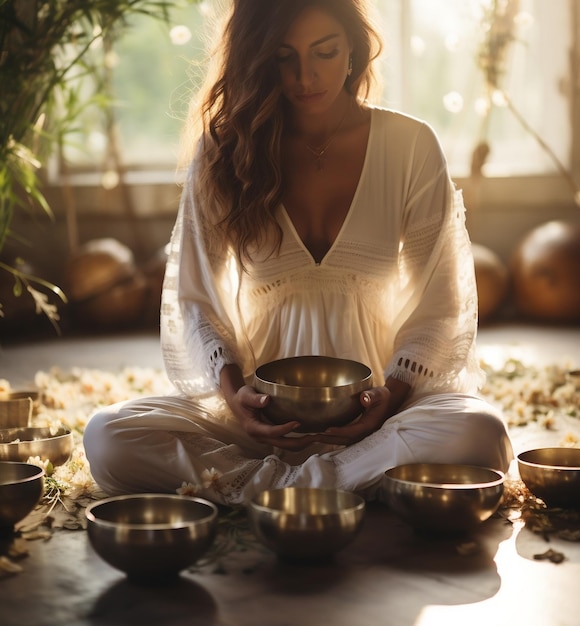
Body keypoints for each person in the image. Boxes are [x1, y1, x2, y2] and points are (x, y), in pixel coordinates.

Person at [84, 0, 513, 506]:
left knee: (481, 434)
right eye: (283, 56)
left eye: (324, 52)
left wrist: (390, 397)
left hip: (377, 414)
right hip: (258, 419)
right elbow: (197, 301)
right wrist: (235, 397)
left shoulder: (411, 146)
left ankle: (260, 487)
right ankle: (337, 483)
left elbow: (439, 307)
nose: (305, 75)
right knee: (109, 436)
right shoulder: (224, 153)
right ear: (257, 59)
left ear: (353, 50)